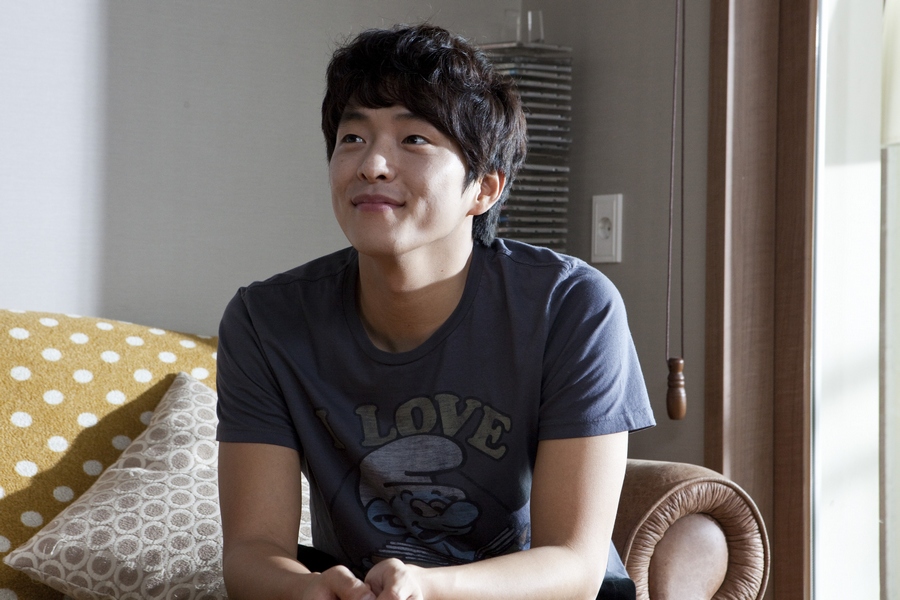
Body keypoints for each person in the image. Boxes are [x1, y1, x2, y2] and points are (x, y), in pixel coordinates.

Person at [215, 23, 655, 600]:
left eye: (415, 139)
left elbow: (574, 566)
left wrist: (427, 589)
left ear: (484, 189)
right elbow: (252, 551)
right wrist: (312, 592)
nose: (372, 164)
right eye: (353, 137)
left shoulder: (571, 306)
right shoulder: (265, 321)